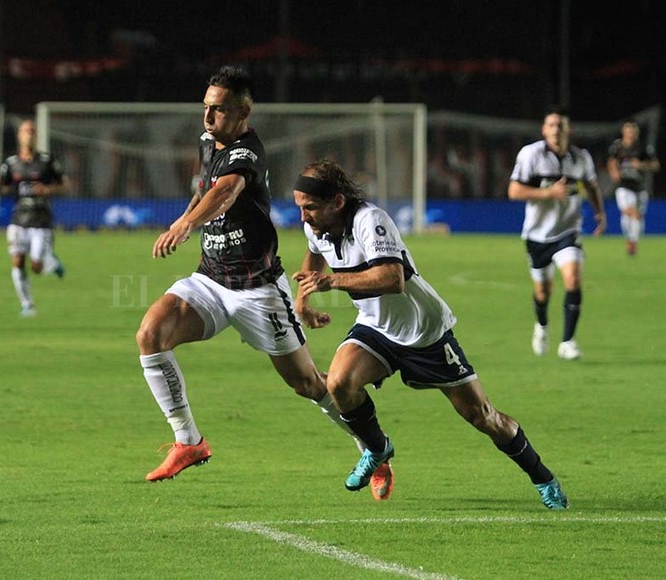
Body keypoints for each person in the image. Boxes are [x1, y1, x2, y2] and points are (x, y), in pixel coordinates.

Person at [135, 65, 393, 498]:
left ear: (243, 112)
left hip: (258, 290)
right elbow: (205, 189)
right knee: (150, 334)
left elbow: (226, 192)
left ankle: (374, 449)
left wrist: (184, 227)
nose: (208, 117)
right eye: (205, 107)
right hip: (211, 280)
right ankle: (189, 442)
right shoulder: (208, 143)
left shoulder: (247, 153)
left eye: (217, 110)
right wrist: (186, 216)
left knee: (309, 384)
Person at [291, 159, 568, 510]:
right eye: (300, 207)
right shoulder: (316, 226)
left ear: (337, 202)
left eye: (310, 207)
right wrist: (303, 303)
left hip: (424, 332)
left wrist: (331, 281)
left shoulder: (370, 221)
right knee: (339, 384)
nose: (304, 217)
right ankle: (378, 448)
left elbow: (392, 279)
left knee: (483, 416)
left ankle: (542, 476)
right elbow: (313, 258)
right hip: (376, 326)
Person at [508, 107, 606, 361]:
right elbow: (514, 191)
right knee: (543, 292)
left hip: (569, 230)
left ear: (568, 130)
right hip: (537, 235)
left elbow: (591, 186)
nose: (556, 130)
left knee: (572, 279)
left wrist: (599, 213)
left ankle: (568, 342)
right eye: (551, 125)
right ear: (544, 129)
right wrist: (547, 193)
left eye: (560, 125)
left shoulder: (581, 158)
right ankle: (541, 326)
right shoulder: (531, 154)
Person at [0, 119, 69, 317]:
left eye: (32, 131)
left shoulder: (47, 161)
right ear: (19, 136)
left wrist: (48, 189)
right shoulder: (11, 164)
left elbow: (65, 184)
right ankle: (27, 305)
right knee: (17, 261)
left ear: (36, 136)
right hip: (18, 220)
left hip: (41, 220)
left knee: (36, 267)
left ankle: (51, 262)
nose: (29, 135)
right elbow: (2, 186)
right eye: (25, 131)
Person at [607, 119, 660, 256]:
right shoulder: (617, 146)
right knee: (630, 212)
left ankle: (631, 240)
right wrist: (614, 172)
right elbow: (611, 161)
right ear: (624, 131)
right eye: (628, 130)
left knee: (637, 217)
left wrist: (641, 165)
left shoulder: (644, 147)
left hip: (640, 187)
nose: (630, 133)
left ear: (637, 132)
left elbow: (655, 165)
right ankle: (632, 243)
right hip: (623, 186)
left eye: (633, 130)